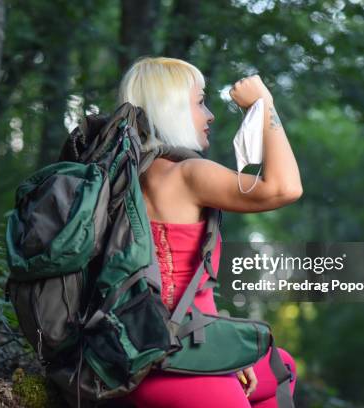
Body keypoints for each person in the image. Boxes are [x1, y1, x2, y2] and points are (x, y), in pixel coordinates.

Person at [117, 56, 302, 408]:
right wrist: (265, 105)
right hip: (171, 363)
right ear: (172, 108)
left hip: (137, 346)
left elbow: (183, 290)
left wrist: (226, 350)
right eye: (199, 101)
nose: (209, 114)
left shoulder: (126, 175)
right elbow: (285, 187)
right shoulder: (187, 174)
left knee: (280, 367)